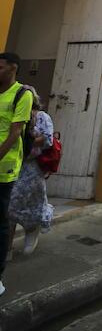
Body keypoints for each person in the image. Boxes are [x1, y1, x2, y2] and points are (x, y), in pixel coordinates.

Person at [0, 52, 33, 296]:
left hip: (5, 166)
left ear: (13, 67)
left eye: (1, 67)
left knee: (1, 220)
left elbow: (15, 133)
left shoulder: (23, 94)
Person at [8, 87, 54, 256]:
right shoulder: (12, 115)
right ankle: (6, 247)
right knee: (9, 205)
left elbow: (48, 140)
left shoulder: (42, 117)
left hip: (31, 167)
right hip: (13, 165)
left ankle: (31, 230)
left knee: (32, 202)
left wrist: (26, 141)